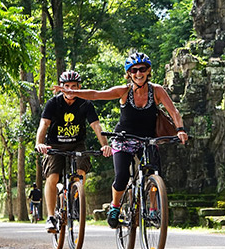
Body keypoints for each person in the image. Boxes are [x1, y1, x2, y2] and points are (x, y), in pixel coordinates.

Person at [53, 52, 188, 228]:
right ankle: (115, 207)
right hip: (123, 139)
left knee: (154, 173)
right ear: (129, 73)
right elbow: (96, 94)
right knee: (122, 176)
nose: (138, 73)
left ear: (148, 71)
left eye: (142, 69)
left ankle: (154, 209)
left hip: (147, 140)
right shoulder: (124, 91)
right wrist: (71, 91)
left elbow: (174, 112)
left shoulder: (157, 91)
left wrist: (180, 130)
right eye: (134, 70)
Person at [35, 70, 113, 233]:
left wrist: (105, 145)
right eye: (67, 86)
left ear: (80, 87)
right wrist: (39, 143)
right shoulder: (53, 103)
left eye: (74, 87)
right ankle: (50, 217)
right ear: (61, 87)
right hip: (55, 145)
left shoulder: (85, 104)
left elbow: (96, 126)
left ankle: (74, 196)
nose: (70, 90)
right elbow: (44, 124)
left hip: (77, 144)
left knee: (80, 172)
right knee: (53, 177)